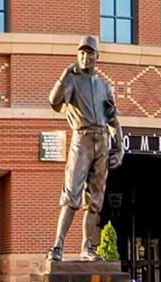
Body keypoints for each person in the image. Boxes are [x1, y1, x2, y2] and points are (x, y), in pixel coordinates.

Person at [47, 34, 127, 261]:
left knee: (95, 200)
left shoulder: (104, 86)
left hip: (102, 141)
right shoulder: (72, 80)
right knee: (71, 193)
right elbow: (54, 101)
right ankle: (58, 246)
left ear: (96, 57)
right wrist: (64, 76)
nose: (85, 57)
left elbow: (113, 120)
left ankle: (87, 247)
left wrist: (120, 148)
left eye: (89, 53)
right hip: (81, 140)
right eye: (81, 53)